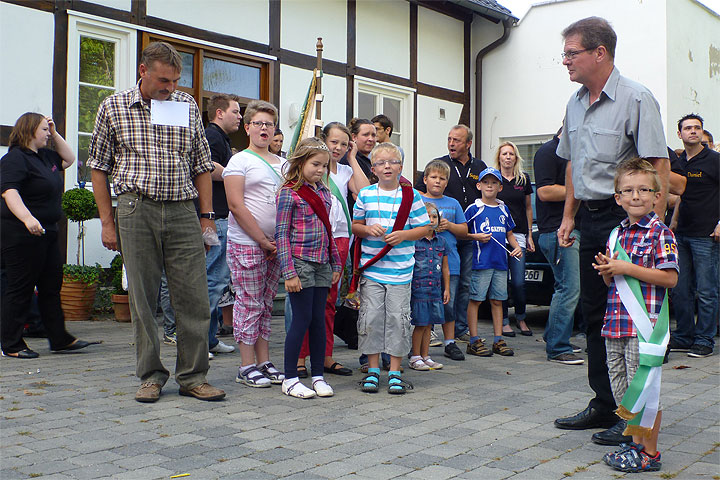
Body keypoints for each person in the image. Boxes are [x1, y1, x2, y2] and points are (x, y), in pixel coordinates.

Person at [554, 17, 677, 445]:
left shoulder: (636, 97)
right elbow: (574, 164)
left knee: (634, 316)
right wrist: (569, 217)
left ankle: (635, 412)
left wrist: (651, 225)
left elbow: (657, 165)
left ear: (599, 53)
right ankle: (604, 403)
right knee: (594, 314)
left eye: (571, 52)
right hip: (590, 218)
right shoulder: (573, 102)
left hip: (627, 220)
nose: (565, 61)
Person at [89, 41, 224, 402]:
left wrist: (207, 217)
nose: (170, 87)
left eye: (176, 80)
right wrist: (107, 222)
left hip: (182, 208)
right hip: (136, 208)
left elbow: (201, 165)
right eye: (164, 80)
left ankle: (193, 377)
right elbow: (98, 167)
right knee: (144, 299)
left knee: (193, 297)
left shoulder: (187, 105)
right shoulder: (113, 106)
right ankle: (150, 375)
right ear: (143, 71)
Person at [593, 158, 678, 473]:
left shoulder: (661, 233)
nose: (636, 196)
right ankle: (635, 445)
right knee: (624, 391)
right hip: (614, 324)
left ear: (657, 195)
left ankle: (650, 453)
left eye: (644, 189)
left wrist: (626, 267)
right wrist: (607, 270)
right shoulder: (616, 234)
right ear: (618, 198)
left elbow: (670, 278)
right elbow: (612, 281)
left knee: (645, 390)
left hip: (644, 328)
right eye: (628, 190)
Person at [1, 113, 92, 358]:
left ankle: (59, 339)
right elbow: (10, 192)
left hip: (49, 232)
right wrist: (27, 218)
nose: (48, 133)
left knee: (51, 287)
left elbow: (70, 159)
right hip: (22, 234)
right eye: (44, 129)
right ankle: (12, 344)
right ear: (30, 131)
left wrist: (55, 131)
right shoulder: (15, 159)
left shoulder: (46, 157)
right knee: (20, 288)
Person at [292, 122, 369, 378]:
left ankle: (325, 356)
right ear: (324, 140)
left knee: (328, 303)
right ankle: (300, 358)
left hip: (339, 237)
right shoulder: (313, 169)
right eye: (334, 142)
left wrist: (353, 158)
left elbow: (364, 190)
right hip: (314, 239)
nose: (338, 147)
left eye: (344, 144)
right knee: (307, 303)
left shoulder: (346, 171)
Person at [352, 142, 430, 394]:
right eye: (381, 162)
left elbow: (426, 228)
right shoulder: (365, 194)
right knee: (371, 317)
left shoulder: (412, 196)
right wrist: (367, 230)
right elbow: (355, 225)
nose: (387, 166)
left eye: (392, 162)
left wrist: (403, 235)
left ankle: (395, 370)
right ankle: (373, 369)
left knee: (398, 319)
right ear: (372, 168)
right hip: (373, 269)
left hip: (401, 271)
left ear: (401, 167)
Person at [224, 99, 287, 389]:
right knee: (248, 303)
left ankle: (264, 360)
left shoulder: (284, 164)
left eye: (269, 124)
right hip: (248, 243)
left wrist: (278, 241)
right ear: (247, 127)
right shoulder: (239, 161)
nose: (264, 129)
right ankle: (246, 364)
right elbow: (236, 205)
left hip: (277, 245)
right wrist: (261, 239)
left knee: (265, 304)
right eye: (259, 124)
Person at [275, 137, 342, 398]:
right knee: (301, 319)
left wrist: (336, 262)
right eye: (315, 164)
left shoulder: (325, 193)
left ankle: (317, 376)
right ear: (301, 162)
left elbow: (330, 230)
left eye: (324, 166)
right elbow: (281, 235)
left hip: (322, 263)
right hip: (300, 263)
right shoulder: (288, 192)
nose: (320, 170)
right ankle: (290, 377)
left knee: (318, 321)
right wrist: (289, 272)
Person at [414, 125, 488, 343]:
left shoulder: (479, 165)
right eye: (449, 139)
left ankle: (459, 329)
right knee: (434, 283)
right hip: (440, 237)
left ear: (468, 144)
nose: (451, 144)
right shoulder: (441, 164)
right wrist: (431, 211)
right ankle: (432, 328)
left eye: (457, 140)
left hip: (468, 232)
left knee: (463, 283)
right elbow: (419, 190)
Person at [669, 114, 719, 358]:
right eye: (687, 128)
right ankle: (684, 336)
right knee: (680, 289)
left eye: (697, 128)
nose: (693, 132)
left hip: (706, 235)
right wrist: (674, 222)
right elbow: (681, 196)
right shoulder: (678, 162)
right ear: (679, 134)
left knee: (707, 290)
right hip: (682, 234)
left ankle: (704, 340)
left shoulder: (714, 160)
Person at [534, 129, 584, 365]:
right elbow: (544, 192)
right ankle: (557, 347)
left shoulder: (578, 151)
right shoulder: (547, 151)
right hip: (557, 232)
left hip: (571, 231)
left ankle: (554, 336)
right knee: (568, 289)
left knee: (567, 288)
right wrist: (582, 191)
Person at [464, 168, 523, 357]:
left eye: (494, 183)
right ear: (479, 185)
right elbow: (462, 232)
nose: (490, 186)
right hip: (481, 264)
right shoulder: (473, 208)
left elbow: (510, 234)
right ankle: (474, 340)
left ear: (500, 187)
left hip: (500, 264)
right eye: (486, 182)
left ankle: (498, 339)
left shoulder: (503, 208)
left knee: (498, 301)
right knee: (476, 300)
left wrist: (517, 247)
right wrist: (476, 237)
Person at [204, 94, 242, 357]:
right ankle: (199, 342)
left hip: (220, 218)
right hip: (214, 219)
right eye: (236, 112)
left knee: (217, 282)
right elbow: (206, 167)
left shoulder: (221, 138)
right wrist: (238, 171)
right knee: (211, 281)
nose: (240, 116)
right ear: (219, 113)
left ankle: (210, 339)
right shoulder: (211, 136)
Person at [419, 160, 468, 361]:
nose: (437, 181)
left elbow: (464, 231)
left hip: (450, 263)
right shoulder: (417, 200)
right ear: (425, 179)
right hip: (423, 263)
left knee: (449, 303)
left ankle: (449, 342)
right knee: (424, 303)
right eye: (433, 177)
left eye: (442, 178)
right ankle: (423, 344)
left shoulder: (453, 203)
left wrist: (449, 226)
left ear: (447, 182)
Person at [493, 141, 534, 337]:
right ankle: (503, 321)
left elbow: (528, 208)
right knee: (501, 280)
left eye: (511, 154)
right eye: (504, 154)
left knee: (518, 281)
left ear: (515, 158)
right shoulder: (493, 179)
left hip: (518, 234)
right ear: (499, 158)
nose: (508, 157)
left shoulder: (523, 179)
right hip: (498, 234)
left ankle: (521, 317)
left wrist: (530, 235)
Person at [409, 202, 449, 371]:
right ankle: (415, 356)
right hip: (419, 288)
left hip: (435, 288)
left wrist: (446, 288)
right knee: (420, 323)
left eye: (434, 217)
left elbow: (445, 267)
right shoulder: (415, 241)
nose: (431, 220)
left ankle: (426, 355)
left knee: (429, 323)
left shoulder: (442, 242)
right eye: (428, 217)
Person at [344, 118, 377, 183]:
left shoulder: (368, 161)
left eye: (373, 135)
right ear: (354, 137)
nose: (371, 139)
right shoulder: (348, 160)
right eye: (366, 135)